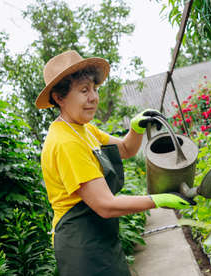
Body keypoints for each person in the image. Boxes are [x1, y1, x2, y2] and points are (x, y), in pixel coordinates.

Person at [35, 50, 194, 276]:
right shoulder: (65, 142)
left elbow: (126, 149)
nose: (93, 97)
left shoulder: (84, 129)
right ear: (60, 98)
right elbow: (105, 205)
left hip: (100, 237)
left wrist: (136, 128)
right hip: (83, 248)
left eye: (94, 89)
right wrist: (156, 200)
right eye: (83, 90)